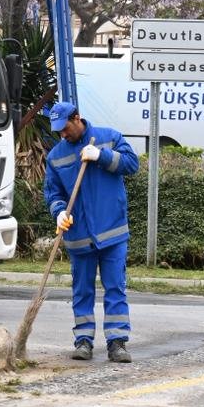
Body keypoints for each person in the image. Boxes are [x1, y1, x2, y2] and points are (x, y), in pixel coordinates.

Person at [42, 100, 139, 363]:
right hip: (79, 236)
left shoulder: (108, 138)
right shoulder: (56, 156)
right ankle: (83, 340)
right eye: (58, 130)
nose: (63, 134)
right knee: (82, 291)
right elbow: (53, 193)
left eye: (65, 128)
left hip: (112, 232)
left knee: (115, 288)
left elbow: (132, 164)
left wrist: (101, 156)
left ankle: (117, 342)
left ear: (77, 118)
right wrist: (59, 212)